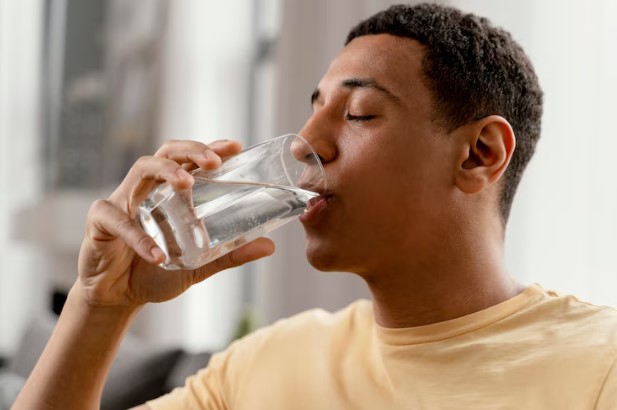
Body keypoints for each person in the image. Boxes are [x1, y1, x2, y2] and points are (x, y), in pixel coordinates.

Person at [13, 3, 617, 409]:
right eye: (313, 109)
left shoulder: (599, 368)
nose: (309, 145)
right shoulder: (262, 366)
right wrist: (100, 305)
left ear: (479, 154)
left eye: (358, 115)